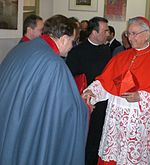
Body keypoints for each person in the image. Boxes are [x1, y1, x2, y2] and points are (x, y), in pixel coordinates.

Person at [0, 14, 88, 165]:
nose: (72, 46)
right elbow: (65, 111)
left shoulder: (24, 47)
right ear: (64, 39)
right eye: (72, 42)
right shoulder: (53, 64)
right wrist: (85, 107)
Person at [82, 16, 150, 165]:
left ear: (147, 34)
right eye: (128, 33)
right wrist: (92, 91)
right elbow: (105, 82)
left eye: (134, 33)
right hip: (115, 120)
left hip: (138, 122)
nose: (130, 38)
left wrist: (141, 96)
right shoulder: (120, 57)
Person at [66, 16, 112, 165]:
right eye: (105, 31)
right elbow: (70, 82)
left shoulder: (107, 51)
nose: (108, 34)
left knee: (97, 143)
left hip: (103, 106)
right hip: (84, 106)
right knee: (83, 143)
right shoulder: (76, 52)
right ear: (94, 32)